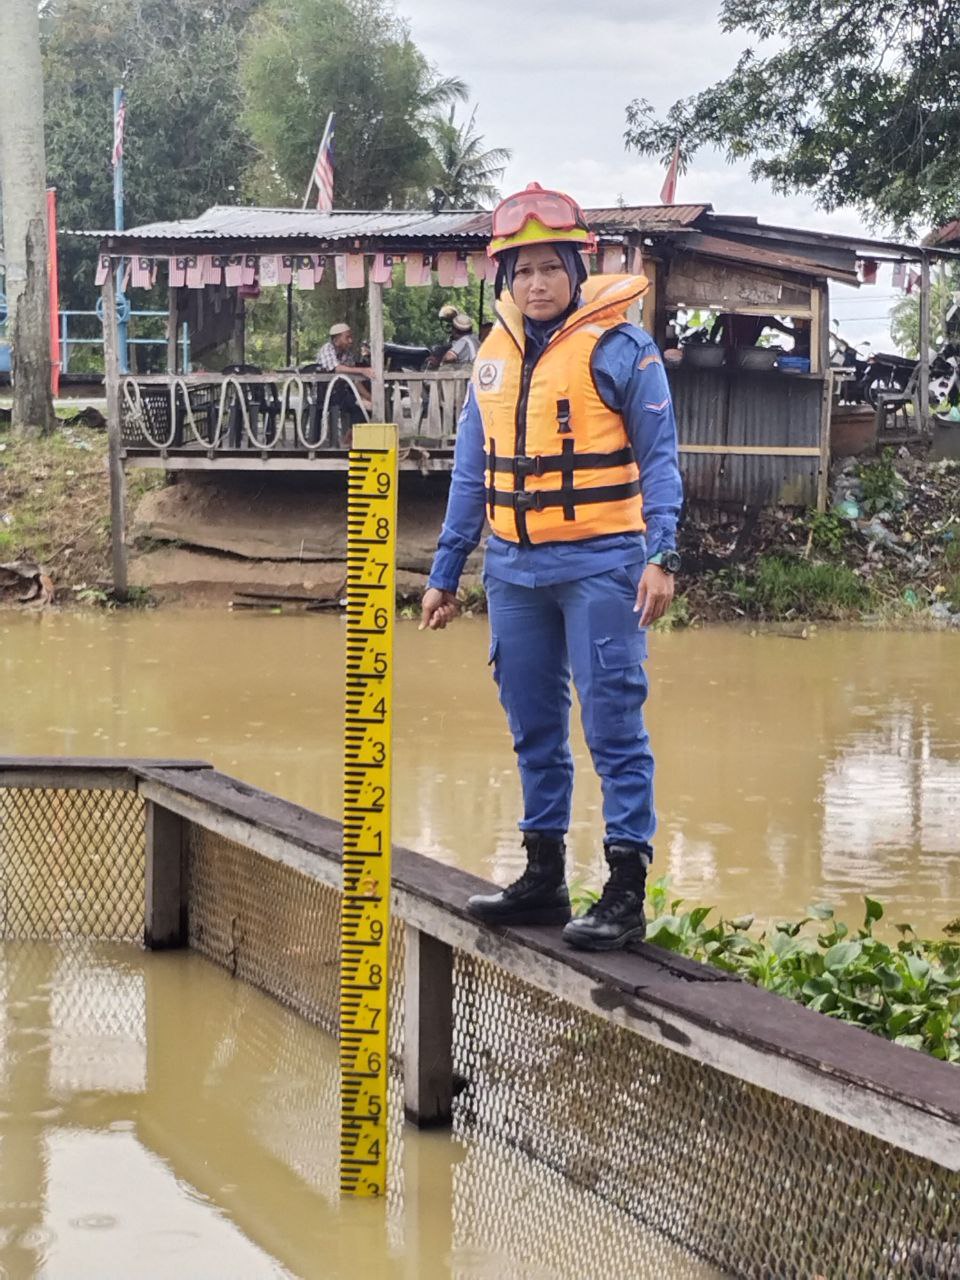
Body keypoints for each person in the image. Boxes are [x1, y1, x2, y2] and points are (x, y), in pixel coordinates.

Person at [420, 182, 683, 952]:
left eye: (550, 268)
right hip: (513, 569)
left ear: (577, 269)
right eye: (523, 270)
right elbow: (471, 473)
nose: (536, 284)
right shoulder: (492, 358)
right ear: (506, 279)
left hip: (602, 563)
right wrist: (445, 572)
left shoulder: (622, 349)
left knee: (613, 724)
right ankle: (543, 876)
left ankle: (625, 892)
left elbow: (661, 461)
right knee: (533, 724)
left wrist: (662, 555)